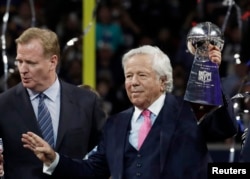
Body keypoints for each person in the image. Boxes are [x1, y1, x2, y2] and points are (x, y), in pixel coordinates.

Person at [20, 45, 237, 179]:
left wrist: (211, 79)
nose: (132, 83)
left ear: (163, 82)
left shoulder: (189, 111)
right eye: (128, 76)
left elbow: (225, 128)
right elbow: (93, 171)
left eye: (141, 75)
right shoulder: (115, 124)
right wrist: (54, 159)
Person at [0, 27, 107, 179]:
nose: (22, 69)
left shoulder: (87, 102)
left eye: (31, 63)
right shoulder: (3, 104)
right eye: (20, 61)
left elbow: (105, 158)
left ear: (52, 61)